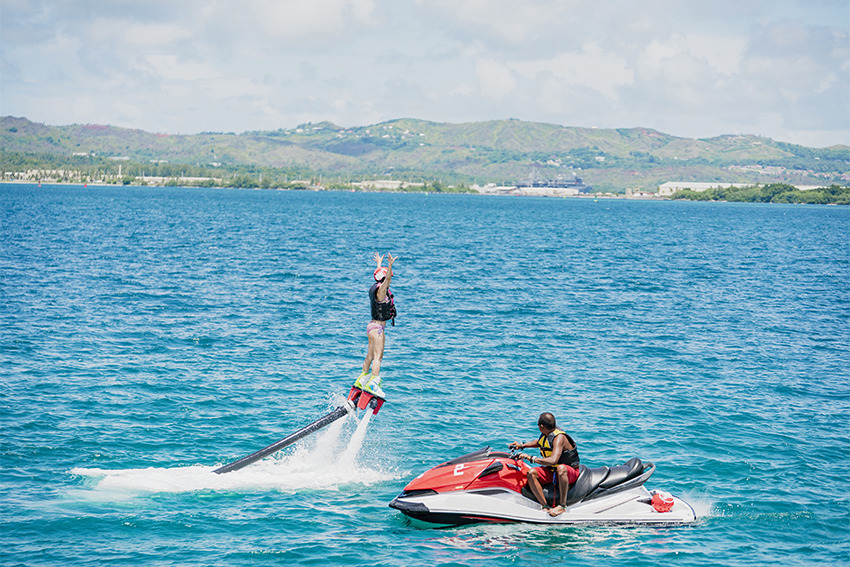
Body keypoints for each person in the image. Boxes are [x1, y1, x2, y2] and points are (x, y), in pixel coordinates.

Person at [508, 412, 581, 517]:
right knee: (531, 473)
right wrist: (522, 445)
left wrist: (531, 458)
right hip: (552, 471)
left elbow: (553, 461)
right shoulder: (547, 435)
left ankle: (562, 506)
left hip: (569, 472)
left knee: (561, 468)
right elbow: (539, 442)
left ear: (541, 426)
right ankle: (545, 506)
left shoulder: (559, 438)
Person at [354, 252, 396, 398]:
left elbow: (381, 276)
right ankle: (373, 384)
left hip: (371, 326)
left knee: (370, 356)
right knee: (378, 357)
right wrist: (390, 264)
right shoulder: (381, 291)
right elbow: (387, 280)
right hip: (378, 329)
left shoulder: (375, 287)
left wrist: (379, 264)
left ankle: (361, 380)